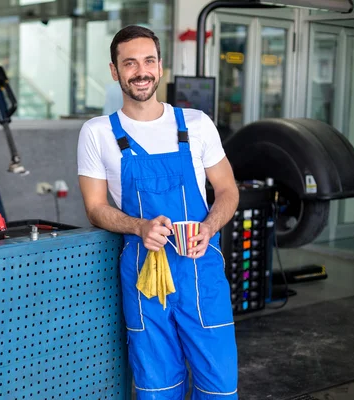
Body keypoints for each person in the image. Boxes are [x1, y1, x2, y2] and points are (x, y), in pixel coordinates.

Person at [77, 25, 240, 399]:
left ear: (161, 66)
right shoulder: (98, 133)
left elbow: (228, 190)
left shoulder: (197, 124)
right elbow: (95, 209)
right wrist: (138, 226)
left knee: (219, 387)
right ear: (115, 71)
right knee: (156, 389)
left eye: (149, 60)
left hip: (202, 272)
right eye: (129, 63)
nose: (141, 71)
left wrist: (210, 226)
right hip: (144, 277)